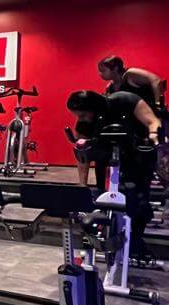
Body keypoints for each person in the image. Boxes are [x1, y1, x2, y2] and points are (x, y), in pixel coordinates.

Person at [67, 88, 160, 257]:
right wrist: (82, 185)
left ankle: (135, 244)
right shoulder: (84, 124)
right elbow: (83, 156)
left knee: (138, 203)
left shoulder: (124, 100)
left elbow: (152, 121)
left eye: (83, 115)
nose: (81, 119)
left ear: (93, 107)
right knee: (103, 198)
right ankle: (107, 240)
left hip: (137, 156)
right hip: (108, 162)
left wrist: (154, 134)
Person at [97, 55, 165, 110]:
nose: (100, 74)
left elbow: (156, 81)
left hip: (152, 116)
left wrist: (159, 106)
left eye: (103, 70)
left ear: (115, 68)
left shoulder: (130, 74)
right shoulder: (109, 87)